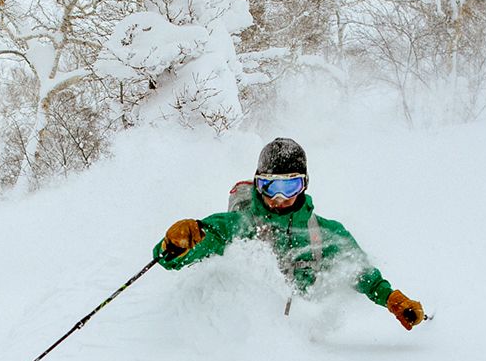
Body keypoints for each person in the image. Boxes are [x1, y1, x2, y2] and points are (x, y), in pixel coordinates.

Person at [154, 137, 425, 330]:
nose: (280, 198)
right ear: (258, 185)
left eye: (291, 185)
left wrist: (392, 299)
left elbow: (360, 273)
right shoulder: (240, 223)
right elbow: (203, 239)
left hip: (299, 351)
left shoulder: (324, 233)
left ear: (304, 185)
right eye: (271, 187)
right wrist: (176, 246)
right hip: (243, 348)